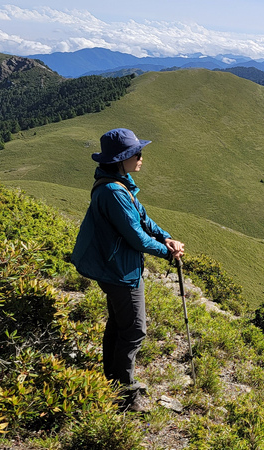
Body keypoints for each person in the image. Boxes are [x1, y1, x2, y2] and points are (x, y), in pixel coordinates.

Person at [71, 128, 185, 411]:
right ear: (121, 159)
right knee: (134, 331)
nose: (141, 157)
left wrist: (166, 237)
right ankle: (125, 396)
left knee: (118, 325)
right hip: (121, 272)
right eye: (136, 154)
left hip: (115, 267)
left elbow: (143, 218)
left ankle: (111, 380)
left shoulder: (120, 182)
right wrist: (167, 253)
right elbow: (136, 237)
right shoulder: (113, 192)